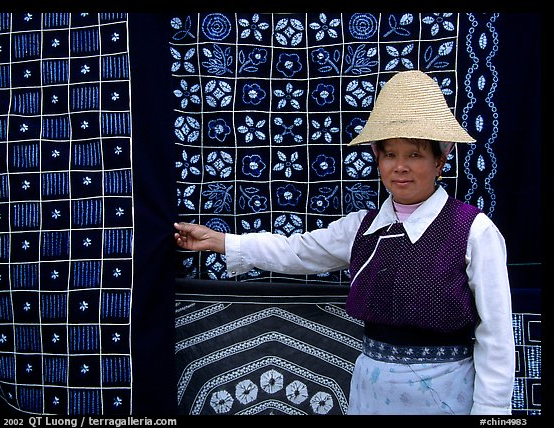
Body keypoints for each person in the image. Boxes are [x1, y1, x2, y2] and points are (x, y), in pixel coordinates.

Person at [173, 70, 515, 415]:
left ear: (440, 160)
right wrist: (222, 242)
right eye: (389, 154)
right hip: (371, 390)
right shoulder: (362, 228)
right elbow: (296, 252)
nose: (400, 167)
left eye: (414, 155)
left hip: (446, 390)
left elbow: (496, 334)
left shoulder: (473, 231)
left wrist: (492, 410)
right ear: (377, 158)